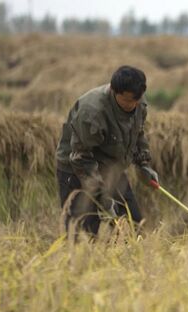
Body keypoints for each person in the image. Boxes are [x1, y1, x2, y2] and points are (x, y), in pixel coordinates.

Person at [56, 65, 159, 237]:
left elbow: (137, 134)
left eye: (136, 100)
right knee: (83, 235)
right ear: (113, 91)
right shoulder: (92, 112)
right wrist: (102, 198)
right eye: (127, 101)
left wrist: (144, 165)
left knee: (135, 228)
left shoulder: (138, 101)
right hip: (78, 169)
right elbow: (81, 158)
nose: (132, 105)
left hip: (111, 166)